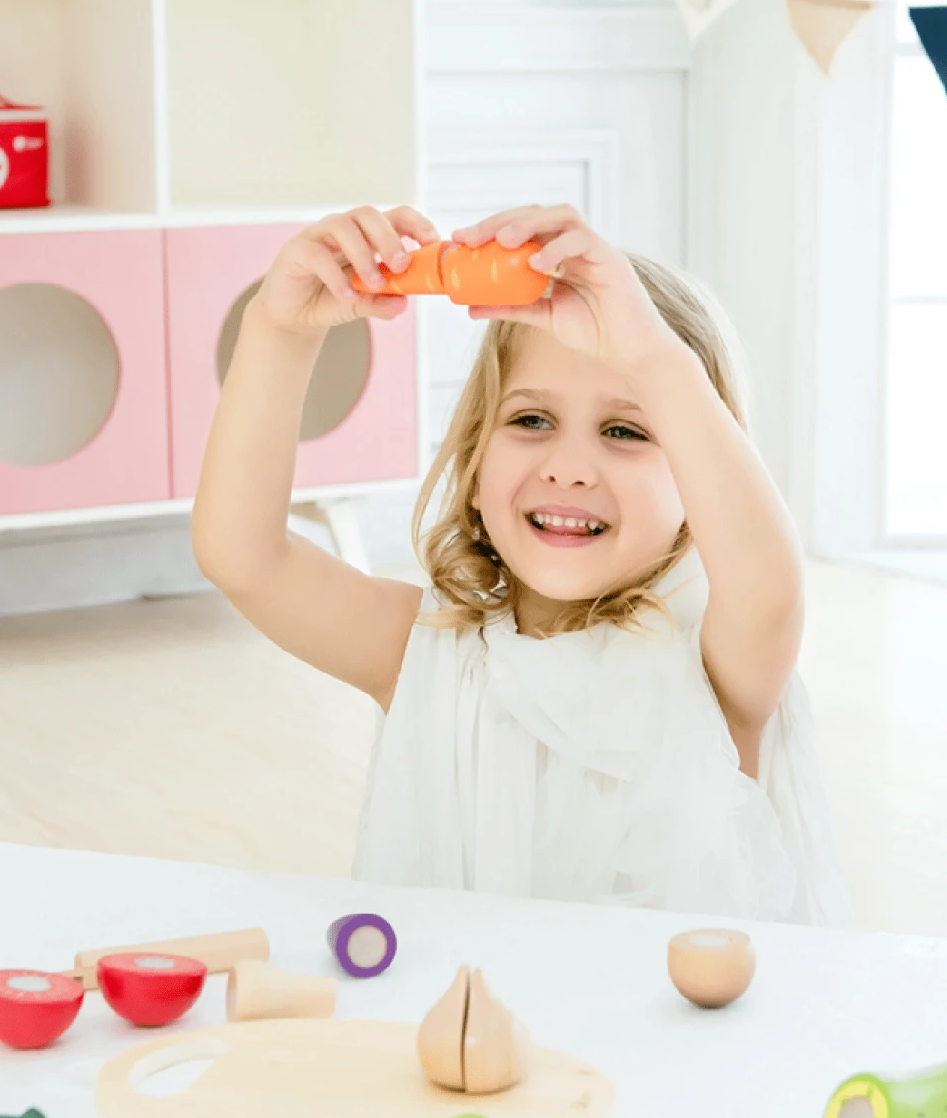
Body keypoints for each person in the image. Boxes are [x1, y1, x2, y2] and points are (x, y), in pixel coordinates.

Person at [193, 203, 853, 925]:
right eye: (531, 420)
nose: (569, 468)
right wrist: (276, 330)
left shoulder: (718, 664)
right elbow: (244, 557)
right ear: (476, 458)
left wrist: (658, 360)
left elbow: (770, 587)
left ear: (698, 476)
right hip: (469, 1034)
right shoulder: (423, 651)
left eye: (626, 430)